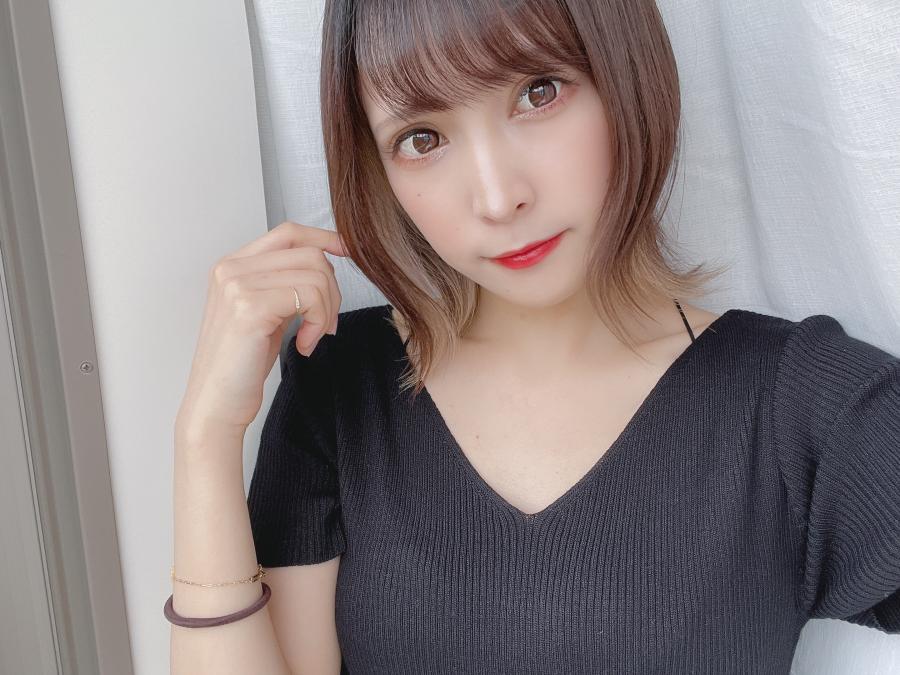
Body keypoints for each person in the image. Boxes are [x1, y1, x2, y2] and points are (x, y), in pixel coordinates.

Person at [167, 0, 900, 673]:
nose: (498, 197)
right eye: (422, 138)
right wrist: (205, 438)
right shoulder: (340, 386)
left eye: (538, 92)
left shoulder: (804, 407)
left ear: (624, 73)